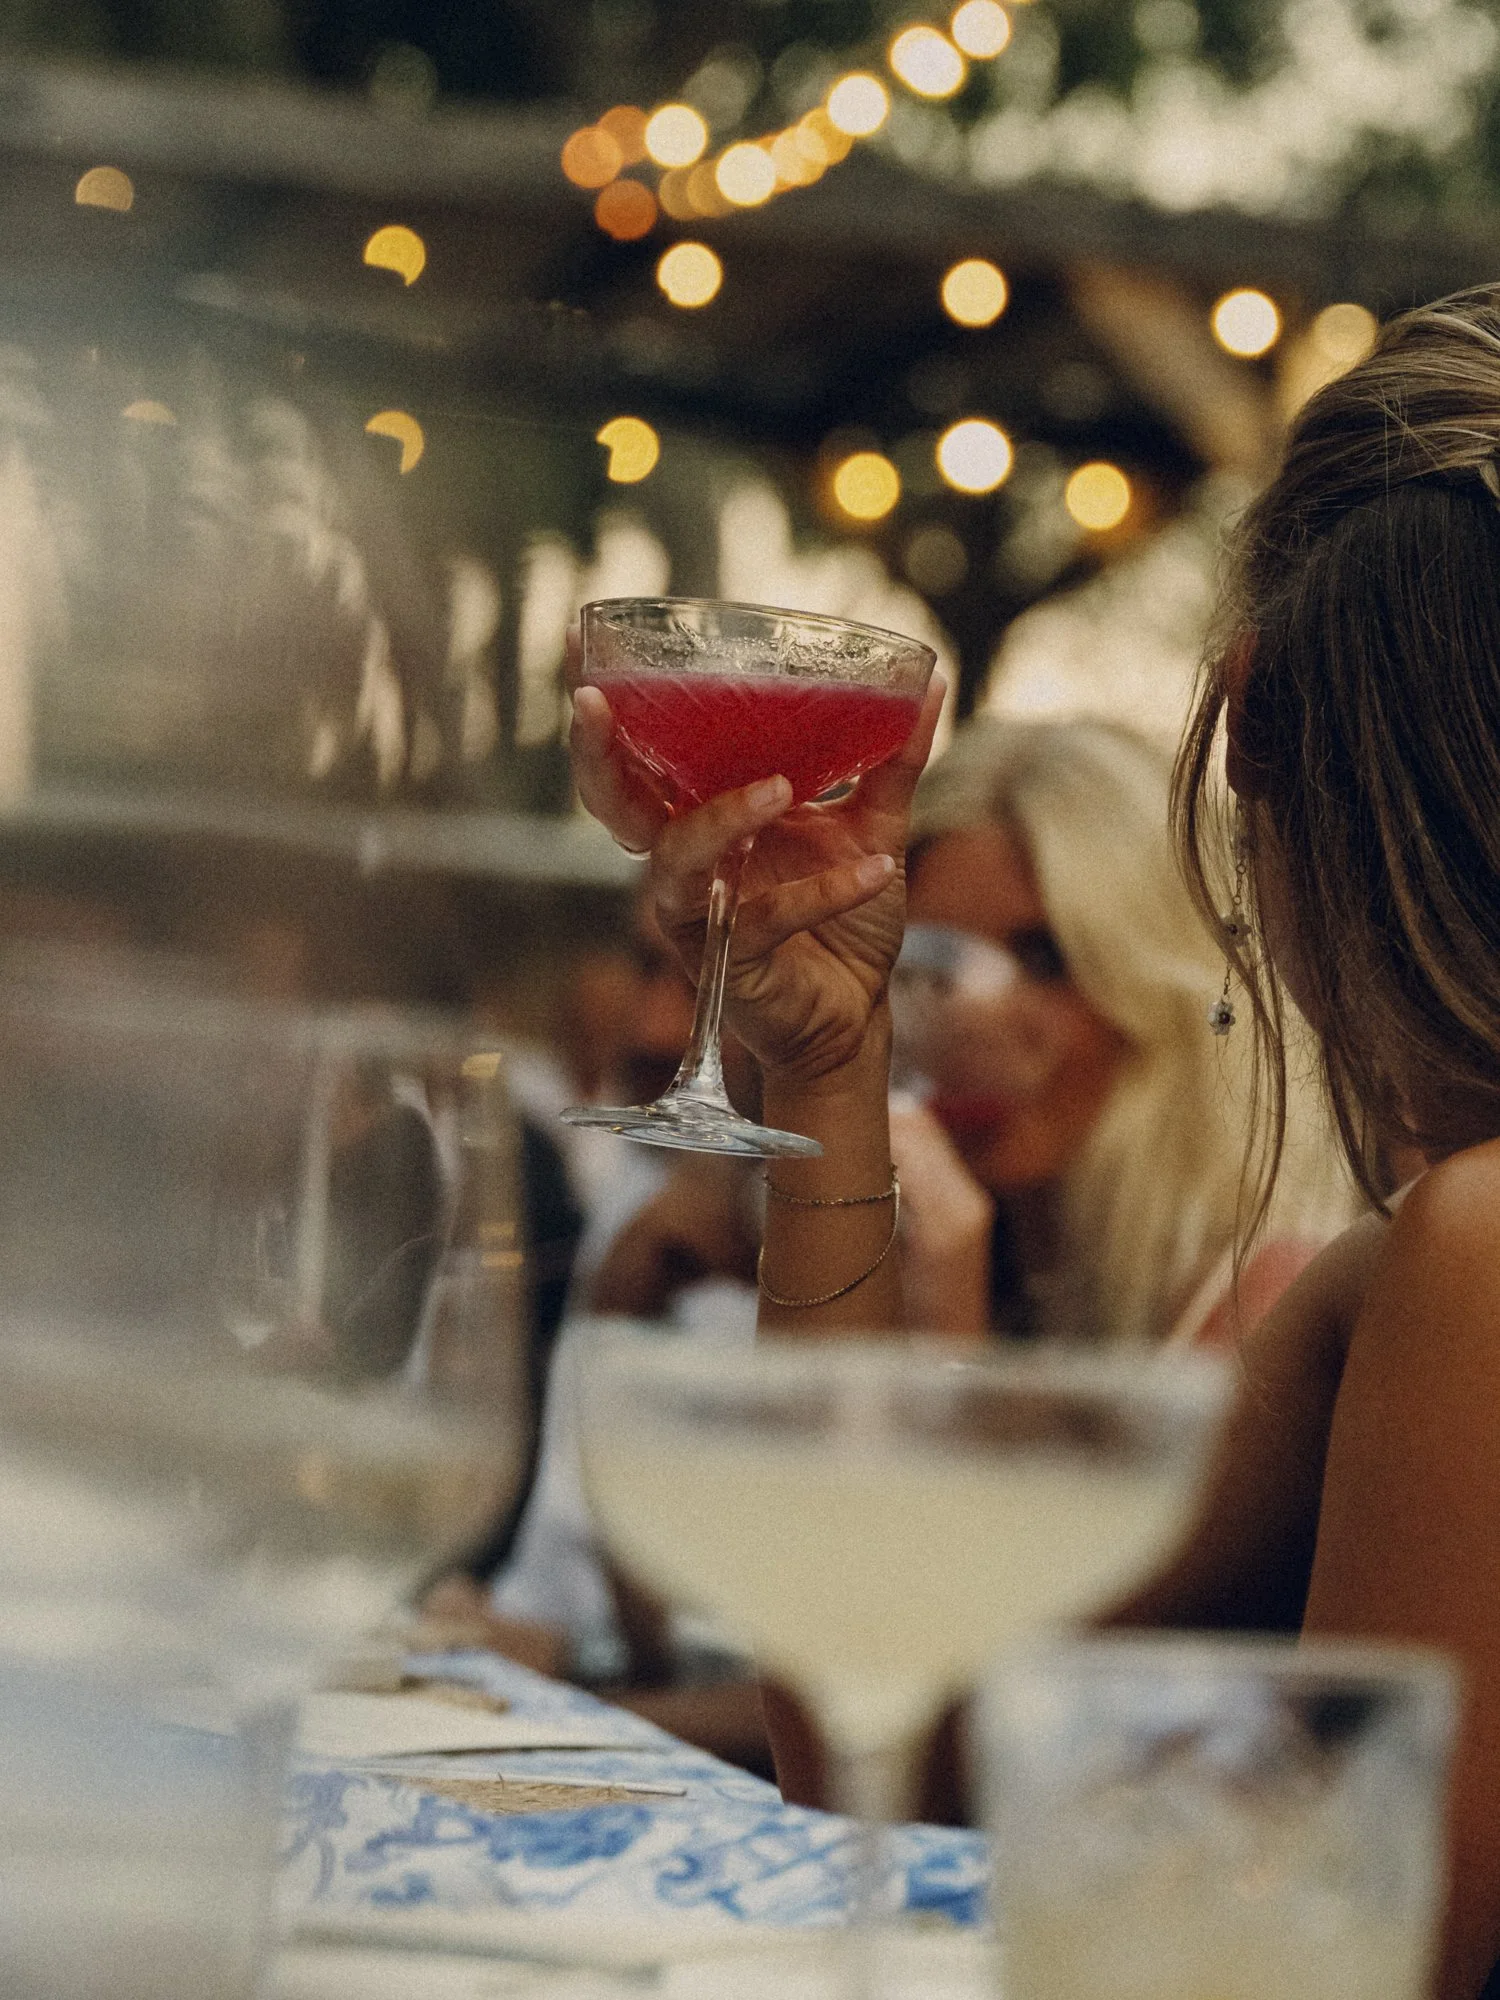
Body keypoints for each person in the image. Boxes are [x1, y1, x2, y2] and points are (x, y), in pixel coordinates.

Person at [571, 281, 1500, 2000]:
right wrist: (829, 1068)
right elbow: (881, 1725)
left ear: (1259, 722)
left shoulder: (1477, 1245)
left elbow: (1359, 1972)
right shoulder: (1396, 1268)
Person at [892, 713, 1352, 1345]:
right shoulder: (982, 1266)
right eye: (931, 964)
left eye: (1046, 958)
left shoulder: (1264, 1300)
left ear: (1156, 986)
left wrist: (938, 1347)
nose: (970, 1023)